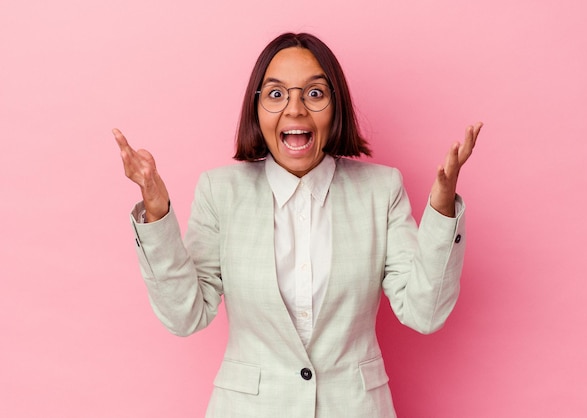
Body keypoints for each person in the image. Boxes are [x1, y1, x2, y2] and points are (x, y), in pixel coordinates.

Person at [114, 32, 482, 418]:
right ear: (255, 109)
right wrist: (156, 211)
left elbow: (424, 312)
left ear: (335, 106)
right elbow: (185, 315)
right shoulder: (220, 191)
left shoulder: (381, 189)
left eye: (314, 93)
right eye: (276, 94)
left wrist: (442, 207)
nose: (295, 110)